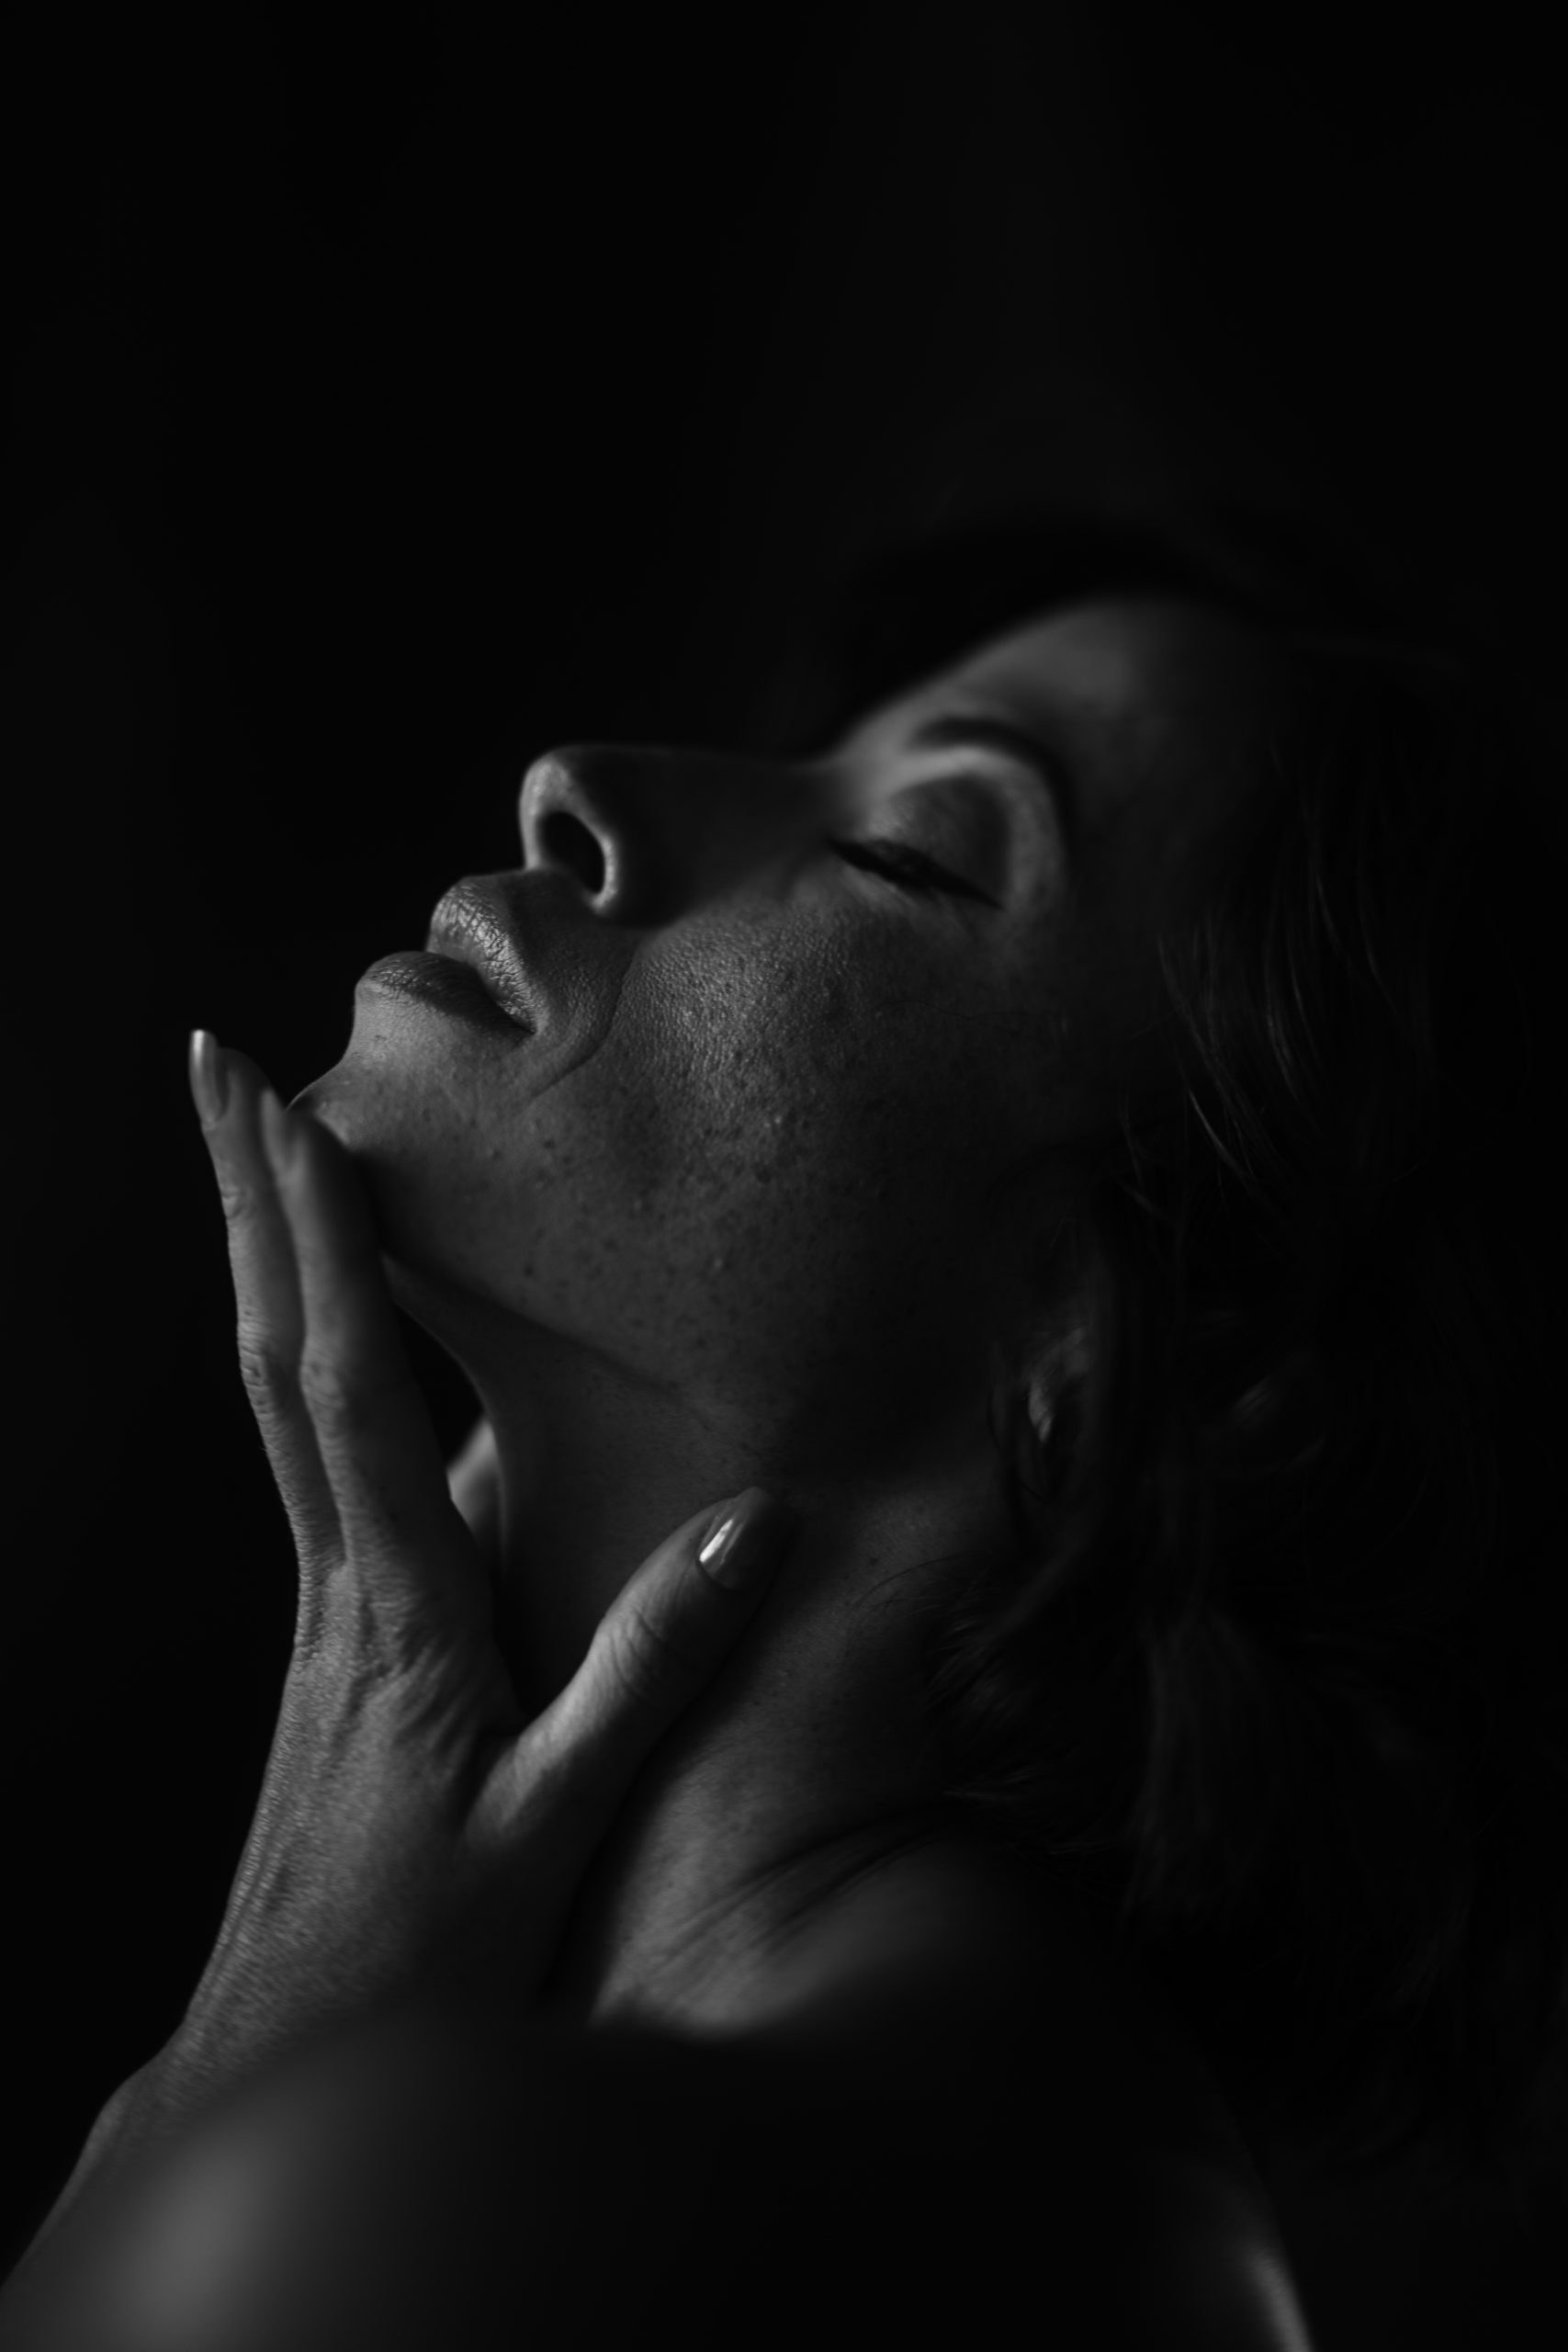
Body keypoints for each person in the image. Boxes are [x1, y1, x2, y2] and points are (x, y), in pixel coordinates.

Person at [3, 516, 1564, 2350]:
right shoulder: (1034, 2163)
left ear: (1176, 1355)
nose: (576, 784)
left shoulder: (439, 2211)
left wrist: (240, 2058)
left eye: (901, 851)